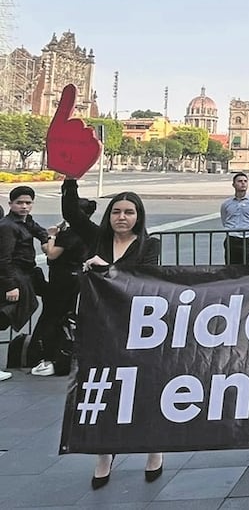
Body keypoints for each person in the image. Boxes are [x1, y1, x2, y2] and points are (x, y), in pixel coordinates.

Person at [63, 179, 164, 489]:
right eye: (116, 211)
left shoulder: (149, 245)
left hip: (136, 327)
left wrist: (108, 269)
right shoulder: (96, 239)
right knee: (102, 388)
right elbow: (72, 213)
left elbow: (144, 281)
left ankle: (154, 450)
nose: (122, 217)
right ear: (109, 216)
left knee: (143, 389)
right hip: (100, 325)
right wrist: (70, 179)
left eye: (129, 212)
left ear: (139, 216)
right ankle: (104, 454)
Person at [29, 197, 98, 377]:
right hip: (77, 276)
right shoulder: (91, 232)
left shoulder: (69, 234)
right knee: (67, 315)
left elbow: (51, 254)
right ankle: (63, 350)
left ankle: (44, 352)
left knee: (52, 315)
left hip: (61, 278)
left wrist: (51, 235)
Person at [0, 187, 49, 348]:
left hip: (27, 273)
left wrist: (45, 240)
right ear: (10, 204)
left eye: (28, 203)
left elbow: (40, 231)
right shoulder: (7, 226)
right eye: (19, 203)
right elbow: (4, 259)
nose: (24, 206)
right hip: (15, 275)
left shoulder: (26, 220)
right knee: (6, 316)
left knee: (52, 297)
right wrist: (11, 286)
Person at [220, 172, 249, 265]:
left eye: (245, 181)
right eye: (240, 181)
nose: (243, 183)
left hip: (247, 239)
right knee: (230, 267)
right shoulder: (226, 204)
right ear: (233, 184)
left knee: (248, 266)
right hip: (231, 239)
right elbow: (224, 220)